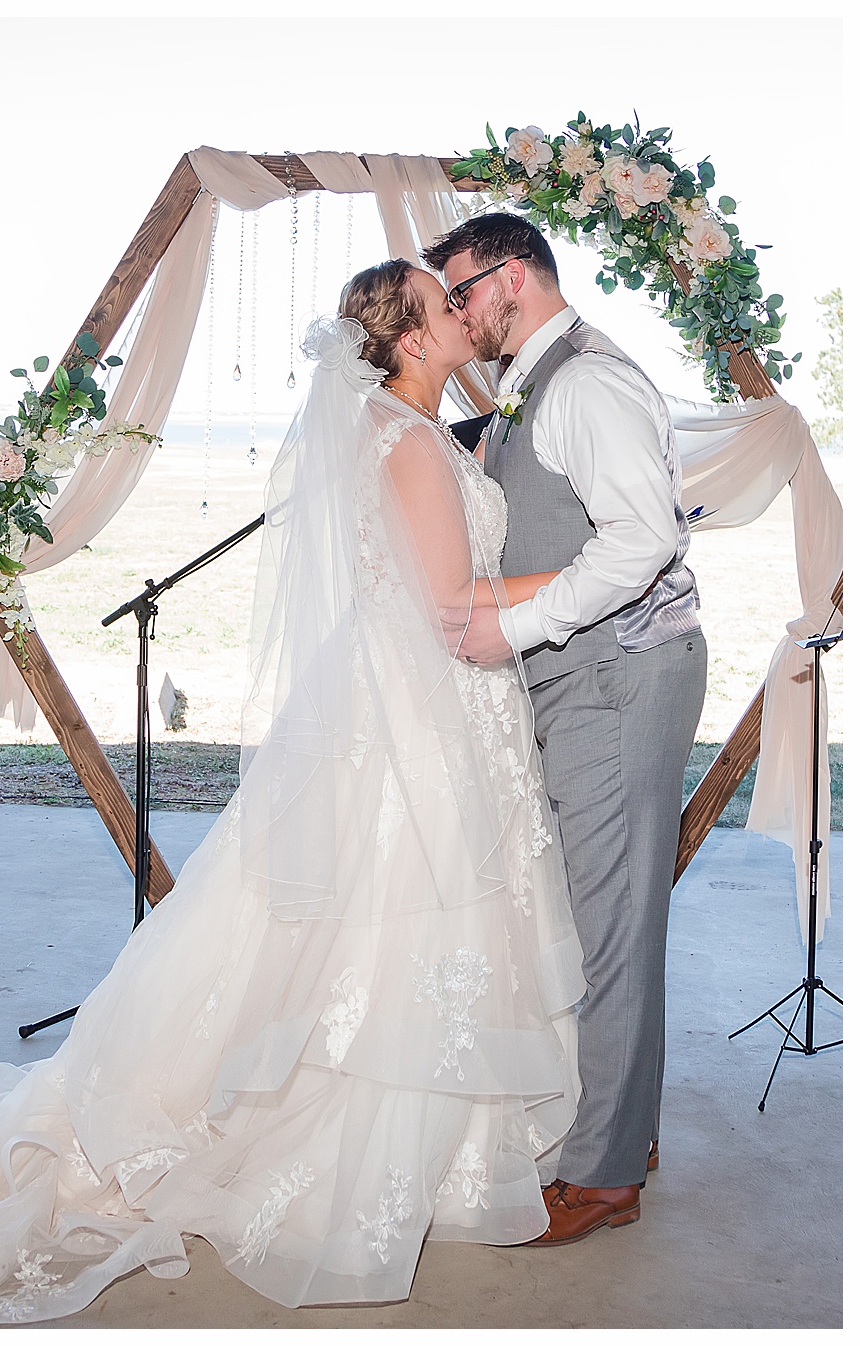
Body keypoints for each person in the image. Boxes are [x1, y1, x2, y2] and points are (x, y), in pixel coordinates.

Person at [0, 259, 586, 1322]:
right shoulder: (407, 442)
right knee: (398, 920)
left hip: (417, 698)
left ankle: (446, 1137)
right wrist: (601, 570)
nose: (462, 309)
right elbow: (450, 600)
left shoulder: (420, 434)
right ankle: (351, 1142)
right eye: (445, 304)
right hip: (422, 706)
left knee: (383, 926)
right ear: (406, 339)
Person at [423, 213, 706, 1245]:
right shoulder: (531, 387)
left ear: (513, 277)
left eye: (460, 291)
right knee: (599, 914)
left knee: (616, 924)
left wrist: (514, 627)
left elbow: (643, 540)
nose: (456, 311)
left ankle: (603, 1175)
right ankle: (626, 1127)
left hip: (622, 675)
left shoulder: (584, 382)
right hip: (585, 673)